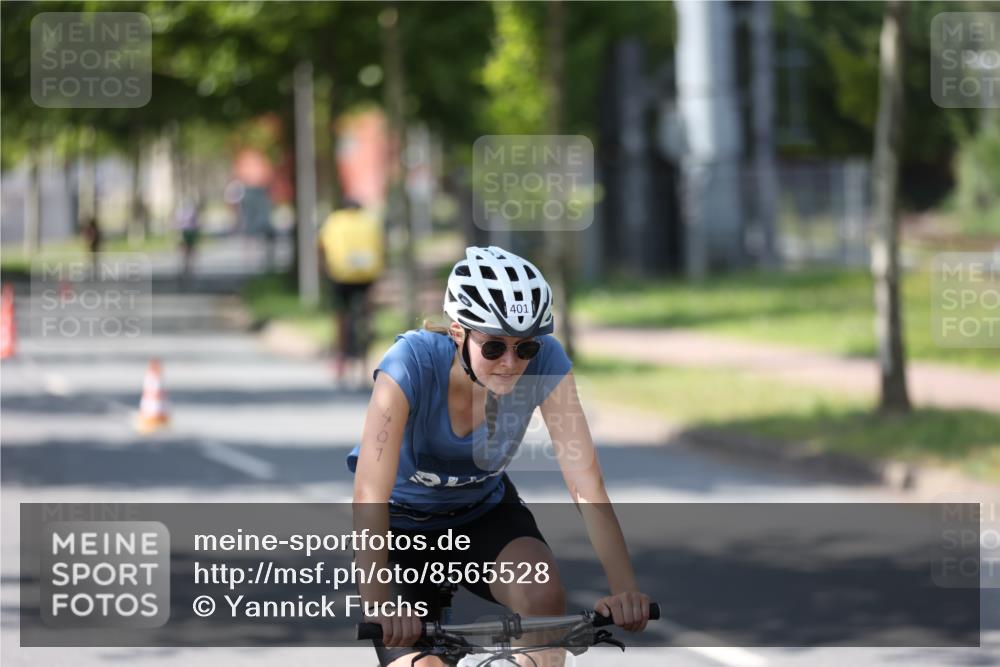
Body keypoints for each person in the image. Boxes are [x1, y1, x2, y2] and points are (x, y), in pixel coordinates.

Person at [349, 246, 651, 667]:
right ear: (459, 333)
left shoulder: (547, 362)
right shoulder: (409, 363)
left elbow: (585, 482)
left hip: (482, 514)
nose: (511, 363)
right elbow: (369, 492)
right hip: (399, 528)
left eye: (525, 348)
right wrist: (378, 603)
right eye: (493, 347)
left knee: (543, 598)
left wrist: (624, 589)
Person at [318, 199, 385, 387]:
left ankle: (340, 360)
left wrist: (324, 270)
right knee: (366, 315)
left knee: (341, 317)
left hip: (340, 276)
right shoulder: (370, 221)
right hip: (367, 277)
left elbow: (321, 247)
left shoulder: (334, 220)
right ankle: (365, 361)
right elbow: (382, 247)